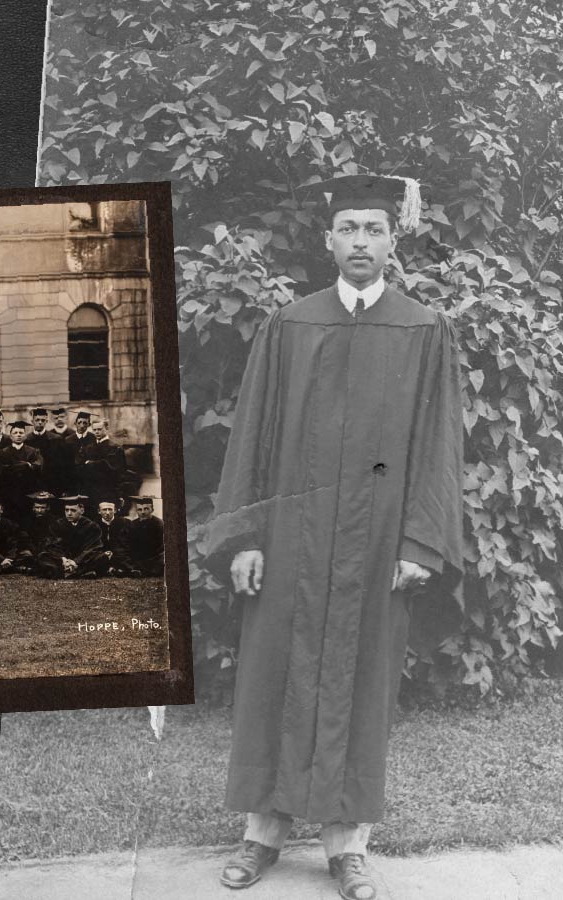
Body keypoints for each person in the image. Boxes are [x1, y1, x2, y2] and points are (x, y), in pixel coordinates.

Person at [201, 174, 463, 900]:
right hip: (291, 543)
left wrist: (421, 543)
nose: (360, 242)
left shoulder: (424, 328)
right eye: (348, 228)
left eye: (374, 229)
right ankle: (263, 836)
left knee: (362, 681)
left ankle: (348, 848)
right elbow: (252, 440)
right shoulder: (289, 325)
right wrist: (245, 537)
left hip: (379, 547)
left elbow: (439, 446)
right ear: (327, 238)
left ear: (392, 239)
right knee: (275, 676)